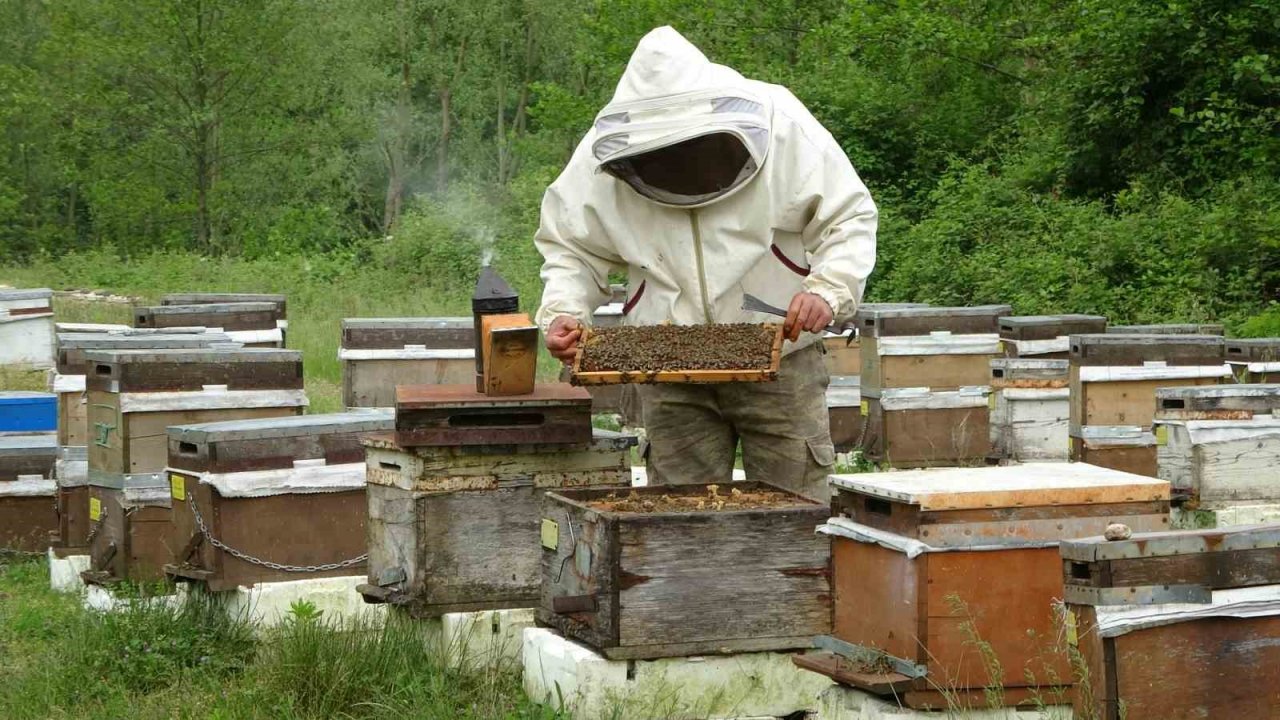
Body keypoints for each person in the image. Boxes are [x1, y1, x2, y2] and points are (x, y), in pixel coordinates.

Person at [533, 26, 877, 501]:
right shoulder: (607, 146)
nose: (679, 166)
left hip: (783, 357)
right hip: (669, 375)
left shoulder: (781, 122)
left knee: (796, 522)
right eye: (662, 156)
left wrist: (828, 290)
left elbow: (848, 216)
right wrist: (564, 312)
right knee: (680, 522)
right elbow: (571, 245)